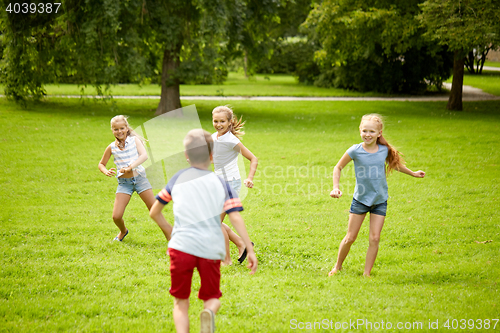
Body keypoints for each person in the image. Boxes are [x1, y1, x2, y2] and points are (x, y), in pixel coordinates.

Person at [149, 129, 257, 333]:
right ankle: (209, 313)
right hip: (210, 249)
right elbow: (235, 216)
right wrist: (248, 248)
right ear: (211, 156)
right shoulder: (221, 183)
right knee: (212, 298)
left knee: (180, 303)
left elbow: (155, 212)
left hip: (181, 248)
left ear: (186, 155)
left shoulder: (177, 179)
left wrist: (171, 232)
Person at [329, 114, 425, 277]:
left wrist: (413, 174)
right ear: (360, 130)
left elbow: (396, 165)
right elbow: (338, 167)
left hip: (379, 201)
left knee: (374, 238)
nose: (368, 134)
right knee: (351, 237)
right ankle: (337, 267)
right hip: (360, 200)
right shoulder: (355, 150)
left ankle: (367, 273)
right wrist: (335, 188)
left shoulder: (384, 150)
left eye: (372, 131)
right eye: (364, 130)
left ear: (379, 133)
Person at [211, 105, 258, 265]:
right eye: (215, 121)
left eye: (222, 121)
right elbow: (216, 158)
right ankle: (241, 244)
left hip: (231, 183)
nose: (218, 124)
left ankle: (226, 259)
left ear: (229, 122)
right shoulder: (214, 137)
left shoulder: (231, 140)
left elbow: (253, 158)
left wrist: (250, 178)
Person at [98, 115, 155, 241]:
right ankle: (123, 231)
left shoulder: (134, 141)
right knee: (116, 216)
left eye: (122, 128)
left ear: (126, 128)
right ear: (112, 130)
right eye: (116, 129)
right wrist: (105, 171)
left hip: (140, 179)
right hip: (124, 183)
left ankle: (173, 236)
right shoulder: (111, 147)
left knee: (155, 211)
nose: (119, 132)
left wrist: (130, 167)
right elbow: (101, 164)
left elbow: (144, 156)